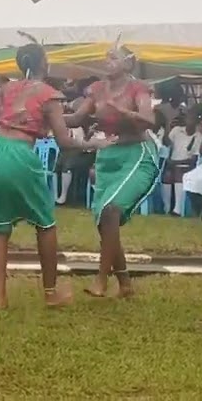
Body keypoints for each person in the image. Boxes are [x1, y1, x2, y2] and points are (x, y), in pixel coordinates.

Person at [0, 37, 106, 310]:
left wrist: (81, 111)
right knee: (45, 223)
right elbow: (64, 139)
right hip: (18, 153)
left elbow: (27, 118)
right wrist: (93, 144)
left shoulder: (5, 89)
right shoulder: (49, 94)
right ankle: (51, 293)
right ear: (44, 63)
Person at [64, 45, 161, 299]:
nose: (108, 61)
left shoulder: (138, 88)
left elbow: (149, 120)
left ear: (128, 63)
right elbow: (76, 118)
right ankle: (125, 284)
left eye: (114, 58)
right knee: (105, 221)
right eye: (106, 58)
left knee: (110, 211)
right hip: (108, 155)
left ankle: (101, 280)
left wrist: (123, 112)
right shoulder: (96, 89)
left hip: (136, 153)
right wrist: (48, 114)